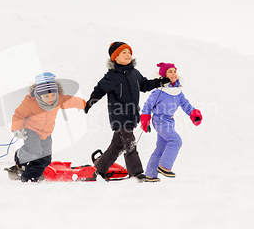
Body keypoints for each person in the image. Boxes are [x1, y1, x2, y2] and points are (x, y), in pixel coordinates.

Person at [84, 42, 170, 182]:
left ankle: (99, 169)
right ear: (115, 57)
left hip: (131, 116)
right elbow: (99, 89)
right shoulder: (112, 76)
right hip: (119, 115)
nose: (128, 55)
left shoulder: (134, 73)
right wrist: (90, 102)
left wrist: (159, 82)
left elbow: (145, 85)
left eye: (129, 52)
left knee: (117, 146)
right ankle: (136, 173)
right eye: (123, 52)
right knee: (130, 143)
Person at [10, 72, 86, 182]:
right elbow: (19, 114)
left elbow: (71, 101)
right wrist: (16, 129)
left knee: (46, 158)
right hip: (31, 130)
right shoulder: (30, 102)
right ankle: (19, 156)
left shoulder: (58, 100)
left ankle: (33, 175)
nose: (51, 99)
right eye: (46, 96)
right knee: (34, 152)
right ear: (39, 95)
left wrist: (84, 104)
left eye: (53, 95)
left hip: (46, 132)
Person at [140, 62, 202, 180]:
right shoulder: (159, 91)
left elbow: (186, 105)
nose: (173, 74)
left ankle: (150, 174)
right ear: (164, 75)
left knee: (161, 147)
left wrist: (193, 114)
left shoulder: (178, 92)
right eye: (170, 72)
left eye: (174, 71)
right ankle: (164, 166)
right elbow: (148, 105)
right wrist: (145, 118)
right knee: (175, 140)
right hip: (160, 120)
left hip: (169, 121)